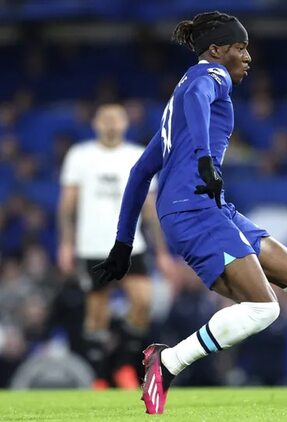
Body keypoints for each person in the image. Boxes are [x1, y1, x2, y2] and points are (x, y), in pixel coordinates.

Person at [91, 11, 287, 415]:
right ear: (217, 50)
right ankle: (167, 362)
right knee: (264, 309)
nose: (248, 56)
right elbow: (203, 98)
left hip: (205, 207)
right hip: (194, 208)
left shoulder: (176, 104)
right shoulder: (210, 76)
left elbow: (139, 173)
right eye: (240, 47)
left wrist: (123, 243)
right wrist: (206, 160)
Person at [58, 104, 174, 389]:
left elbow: (149, 208)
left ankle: (124, 364)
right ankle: (97, 375)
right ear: (95, 123)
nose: (110, 124)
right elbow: (67, 206)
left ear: (125, 124)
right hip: (93, 246)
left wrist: (161, 252)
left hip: (131, 245)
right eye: (105, 119)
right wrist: (66, 244)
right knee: (96, 314)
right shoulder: (80, 156)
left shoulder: (137, 155)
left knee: (143, 303)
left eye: (116, 119)